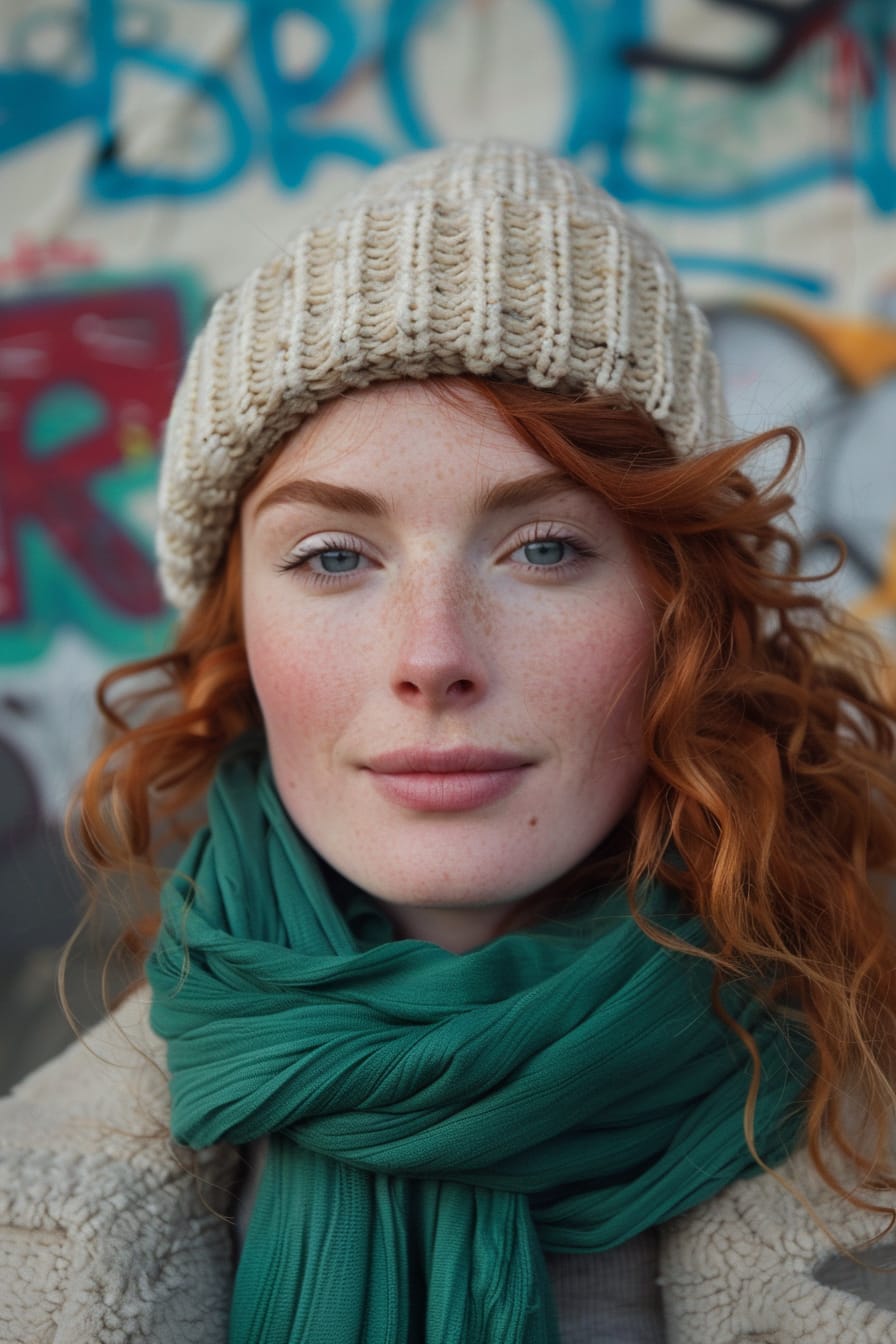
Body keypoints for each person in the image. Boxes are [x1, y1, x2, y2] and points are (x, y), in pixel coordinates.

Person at [1, 140, 896, 1344]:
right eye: (332, 557)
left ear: (681, 612)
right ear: (236, 630)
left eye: (543, 548)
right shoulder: (41, 1178)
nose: (432, 654)